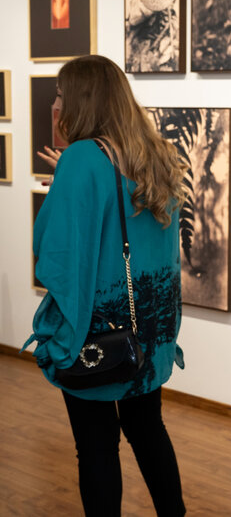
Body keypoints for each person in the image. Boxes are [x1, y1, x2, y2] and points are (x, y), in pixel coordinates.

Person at [23, 54, 187, 516]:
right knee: (147, 428)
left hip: (97, 335)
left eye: (60, 93)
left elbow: (52, 251)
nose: (56, 102)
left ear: (81, 99)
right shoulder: (155, 155)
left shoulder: (81, 159)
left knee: (96, 447)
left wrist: (65, 181)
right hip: (147, 332)